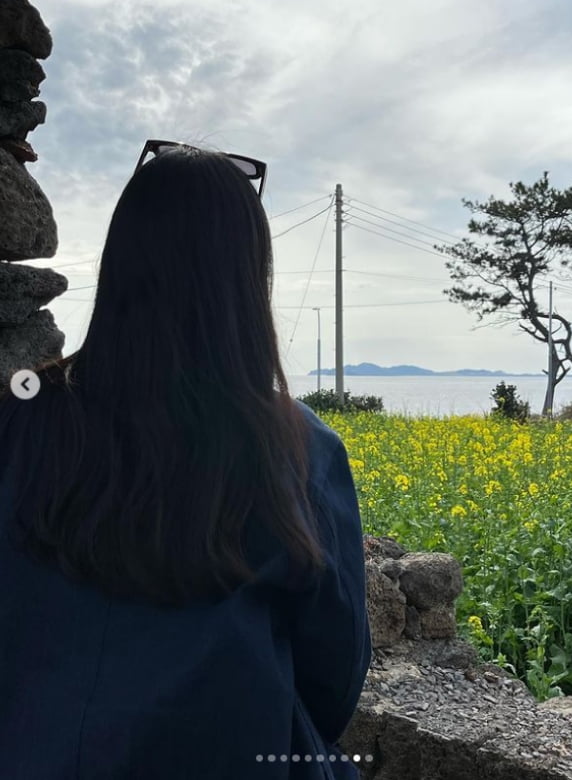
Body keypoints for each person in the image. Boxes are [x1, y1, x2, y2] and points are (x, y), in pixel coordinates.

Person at [0, 141, 372, 779]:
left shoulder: (19, 418)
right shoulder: (301, 449)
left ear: (122, 265)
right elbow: (332, 681)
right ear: (246, 282)